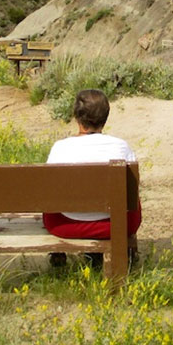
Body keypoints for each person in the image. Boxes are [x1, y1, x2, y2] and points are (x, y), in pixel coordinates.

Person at [42, 89, 142, 245]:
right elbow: (134, 190)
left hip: (65, 225)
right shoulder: (121, 147)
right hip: (117, 225)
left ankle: (59, 258)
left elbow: (49, 192)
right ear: (106, 117)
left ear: (76, 116)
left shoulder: (60, 147)